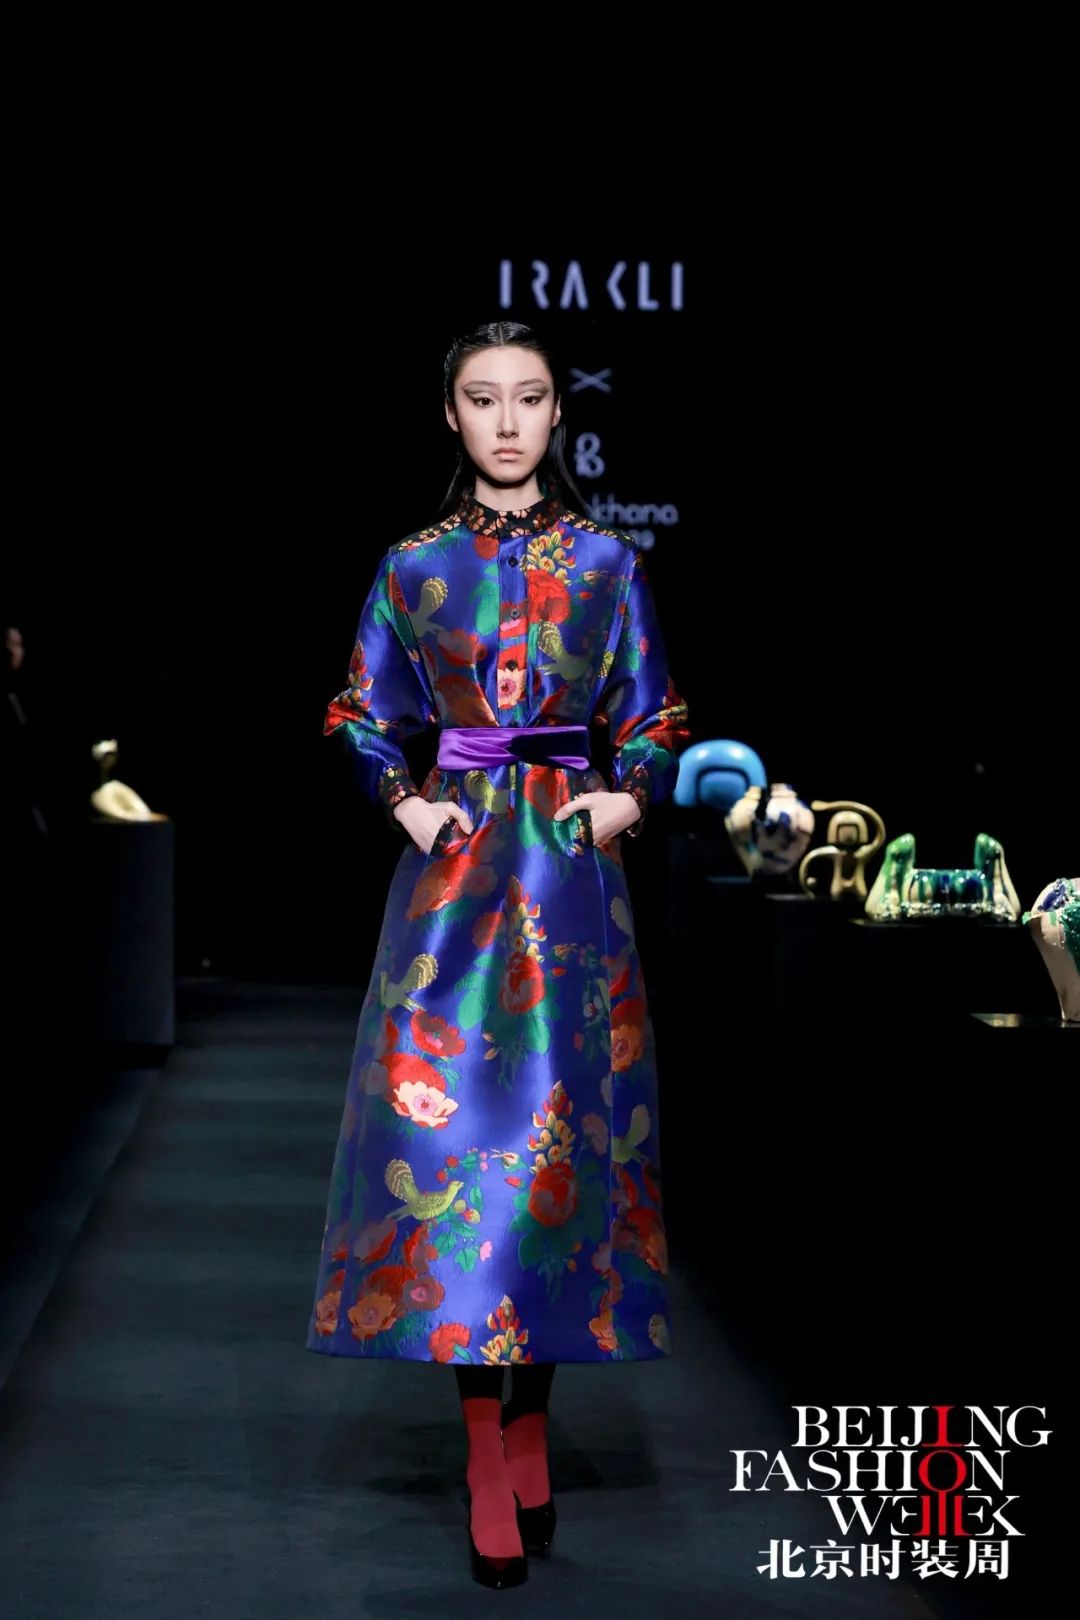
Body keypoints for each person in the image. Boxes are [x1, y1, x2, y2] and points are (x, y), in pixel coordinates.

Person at [305, 319, 691, 1586]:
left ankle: (531, 1424)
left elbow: (656, 711)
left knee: (556, 1161)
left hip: (571, 887)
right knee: (456, 1152)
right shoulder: (414, 566)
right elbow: (357, 710)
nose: (510, 420)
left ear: (559, 414)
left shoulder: (608, 562)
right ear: (452, 415)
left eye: (530, 398)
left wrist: (627, 793)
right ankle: (486, 1447)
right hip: (456, 884)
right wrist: (407, 802)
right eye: (485, 398)